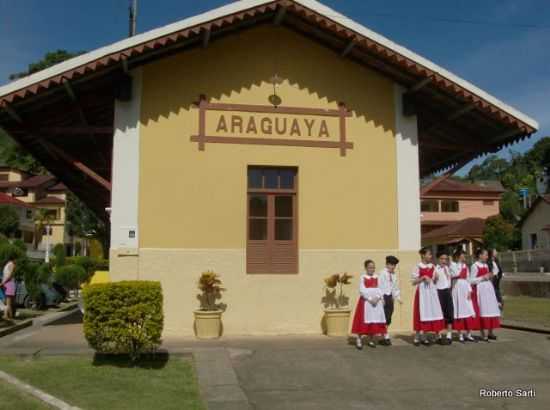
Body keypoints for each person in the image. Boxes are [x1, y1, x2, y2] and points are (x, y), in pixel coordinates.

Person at [411, 248, 446, 346]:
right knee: (420, 312)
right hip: (422, 293)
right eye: (429, 254)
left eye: (431, 255)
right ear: (423, 255)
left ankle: (427, 336)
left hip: (431, 293)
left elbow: (434, 281)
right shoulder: (418, 266)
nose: (431, 256)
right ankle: (417, 337)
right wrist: (422, 277)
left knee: (433, 312)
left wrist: (436, 279)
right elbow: (413, 282)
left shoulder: (432, 266)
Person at [351, 260, 387, 349]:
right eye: (370, 267)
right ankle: (359, 339)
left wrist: (379, 298)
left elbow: (381, 289)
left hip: (376, 302)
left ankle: (371, 339)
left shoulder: (377, 277)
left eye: (373, 267)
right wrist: (370, 299)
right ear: (366, 268)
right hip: (366, 302)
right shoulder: (363, 277)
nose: (372, 269)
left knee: (373, 321)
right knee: (363, 321)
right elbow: (362, 290)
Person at [470, 248, 501, 342]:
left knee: (491, 309)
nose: (487, 257)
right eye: (485, 255)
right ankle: (483, 333)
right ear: (480, 255)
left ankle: (490, 332)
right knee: (483, 310)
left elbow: (495, 271)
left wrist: (490, 274)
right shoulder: (474, 266)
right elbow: (471, 280)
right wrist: (483, 277)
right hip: (480, 290)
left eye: (488, 255)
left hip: (488, 289)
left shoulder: (486, 265)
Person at [450, 248, 477, 343]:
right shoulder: (453, 265)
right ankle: (460, 334)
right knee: (459, 311)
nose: (464, 257)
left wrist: (470, 290)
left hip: (465, 288)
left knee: (469, 309)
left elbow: (468, 279)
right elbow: (455, 274)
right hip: (457, 289)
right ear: (458, 256)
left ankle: (469, 334)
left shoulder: (466, 266)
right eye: (462, 255)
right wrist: (459, 265)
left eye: (464, 255)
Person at [378, 255, 401, 345]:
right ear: (387, 264)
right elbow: (379, 286)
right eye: (391, 265)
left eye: (394, 265)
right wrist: (381, 298)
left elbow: (395, 287)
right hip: (383, 297)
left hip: (390, 298)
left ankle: (383, 335)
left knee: (388, 317)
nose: (393, 267)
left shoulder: (394, 275)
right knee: (383, 317)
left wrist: (398, 297)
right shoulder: (382, 273)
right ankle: (385, 336)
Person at [434, 251, 453, 345]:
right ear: (438, 259)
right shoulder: (434, 269)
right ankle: (439, 335)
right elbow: (432, 282)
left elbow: (451, 279)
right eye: (442, 259)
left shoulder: (448, 268)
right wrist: (434, 279)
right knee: (439, 314)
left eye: (445, 259)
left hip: (447, 291)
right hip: (438, 292)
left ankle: (449, 335)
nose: (444, 261)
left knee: (449, 313)